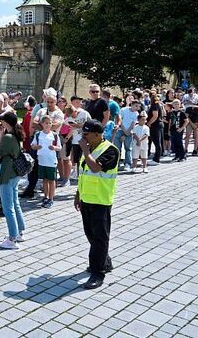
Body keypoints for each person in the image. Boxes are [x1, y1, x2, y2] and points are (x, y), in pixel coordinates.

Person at [75, 120, 120, 290]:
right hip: (86, 198)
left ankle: (97, 273)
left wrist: (85, 150)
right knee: (91, 235)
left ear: (97, 134)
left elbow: (95, 168)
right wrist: (77, 194)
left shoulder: (110, 150)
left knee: (100, 238)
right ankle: (105, 261)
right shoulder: (91, 148)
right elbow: (83, 173)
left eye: (86, 135)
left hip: (101, 200)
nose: (83, 138)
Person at [0, 111, 27, 249]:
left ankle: (12, 239)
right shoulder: (17, 135)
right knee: (15, 203)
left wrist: (1, 135)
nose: (1, 123)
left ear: (7, 123)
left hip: (7, 172)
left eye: (2, 121)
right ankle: (20, 232)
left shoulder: (8, 137)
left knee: (8, 207)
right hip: (15, 173)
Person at [31, 115, 61, 208]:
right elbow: (33, 145)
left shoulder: (54, 135)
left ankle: (51, 198)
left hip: (51, 161)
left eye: (49, 123)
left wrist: (54, 147)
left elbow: (59, 147)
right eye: (46, 123)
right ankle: (46, 196)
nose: (48, 125)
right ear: (42, 124)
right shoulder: (38, 134)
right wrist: (36, 147)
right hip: (41, 160)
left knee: (52, 180)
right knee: (44, 179)